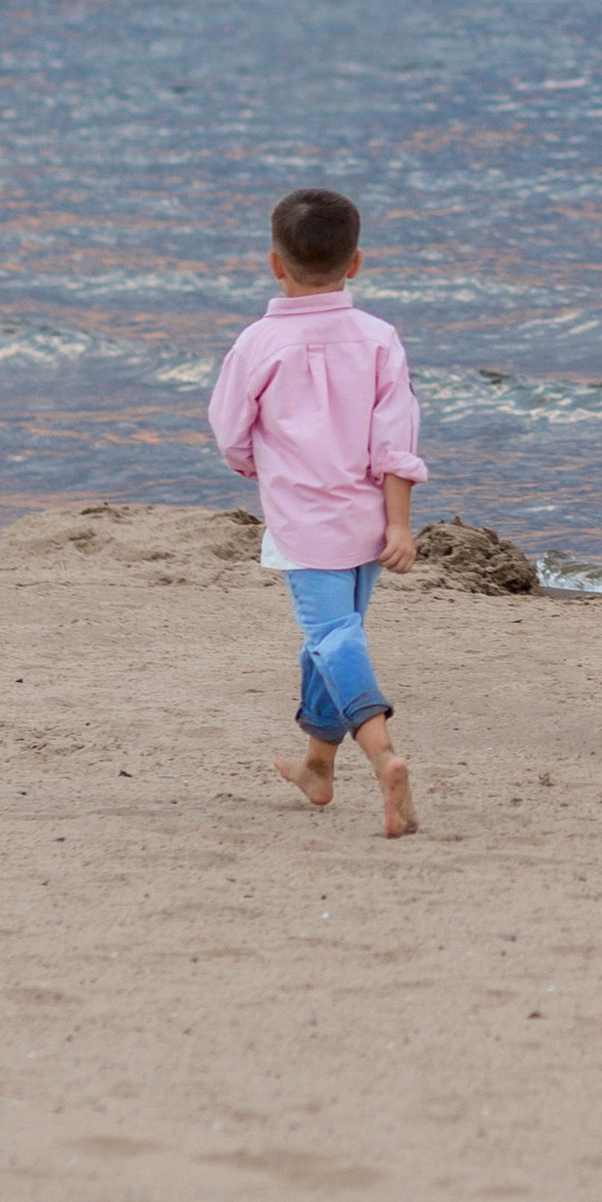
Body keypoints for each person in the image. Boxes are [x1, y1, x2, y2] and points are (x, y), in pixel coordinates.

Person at [208, 186, 426, 837]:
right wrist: (398, 525)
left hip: (305, 527)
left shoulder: (256, 344)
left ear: (275, 264)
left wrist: (257, 465)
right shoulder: (380, 338)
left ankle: (383, 755)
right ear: (355, 262)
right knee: (329, 642)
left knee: (335, 639)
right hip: (369, 522)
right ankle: (317, 768)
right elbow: (397, 444)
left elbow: (230, 434)